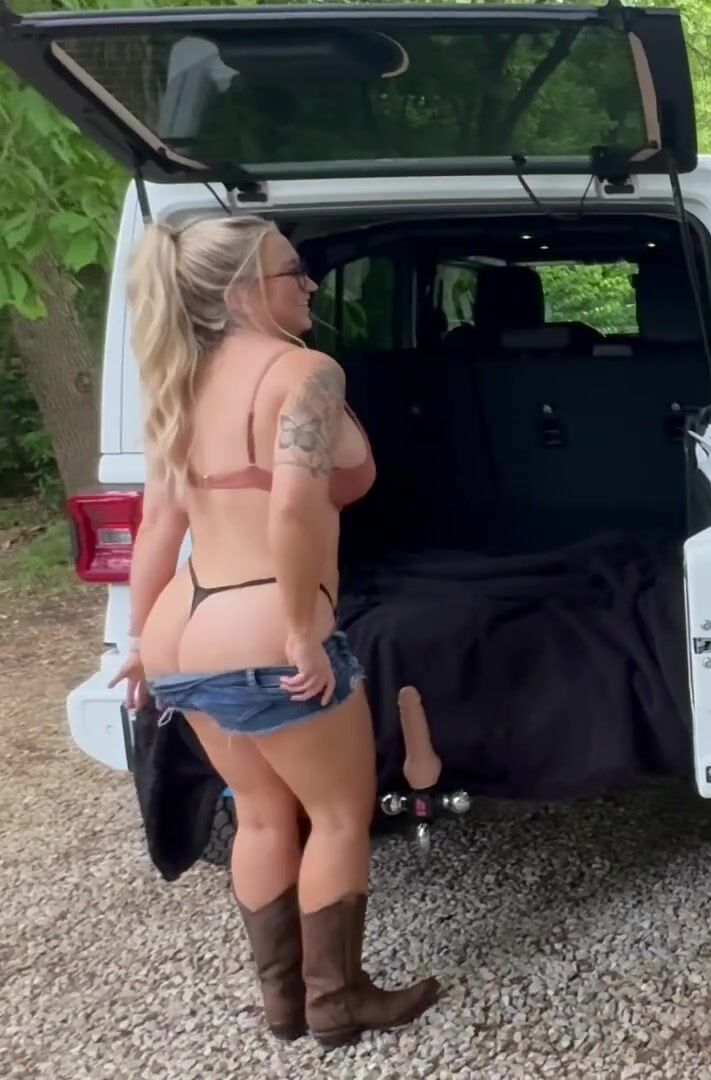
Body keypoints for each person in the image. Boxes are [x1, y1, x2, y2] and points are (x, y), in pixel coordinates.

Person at [106, 214, 438, 1048]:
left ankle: (283, 1006)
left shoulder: (179, 380)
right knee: (335, 814)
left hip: (186, 624)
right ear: (241, 288)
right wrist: (298, 628)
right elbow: (293, 502)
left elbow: (157, 528)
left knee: (258, 813)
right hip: (262, 622)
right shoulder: (306, 372)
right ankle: (338, 1003)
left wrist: (140, 642)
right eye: (294, 271)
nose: (312, 285)